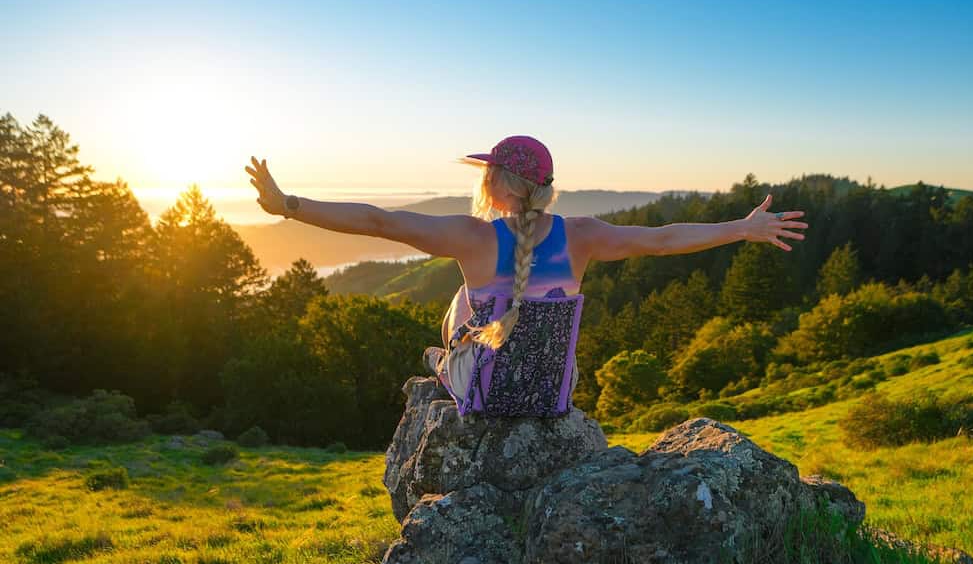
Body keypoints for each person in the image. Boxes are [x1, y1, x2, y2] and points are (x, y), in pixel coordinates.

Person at [244, 135, 808, 402]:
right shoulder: (582, 236)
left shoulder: (470, 236)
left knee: (463, 305)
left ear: (496, 183)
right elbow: (662, 240)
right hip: (552, 394)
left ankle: (446, 363)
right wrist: (741, 228)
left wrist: (289, 205)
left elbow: (375, 220)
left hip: (487, 397)